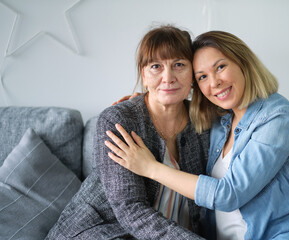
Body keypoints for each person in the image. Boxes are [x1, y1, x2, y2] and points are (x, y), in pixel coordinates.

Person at [105, 30, 289, 239]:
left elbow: (228, 194)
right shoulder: (217, 119)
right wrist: (146, 100)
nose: (214, 82)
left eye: (220, 67)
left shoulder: (278, 117)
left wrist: (150, 168)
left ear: (243, 62)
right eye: (202, 76)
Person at [46, 25, 209, 240]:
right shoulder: (119, 120)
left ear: (193, 73)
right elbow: (131, 209)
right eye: (156, 67)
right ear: (143, 73)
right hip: (102, 231)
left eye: (179, 65)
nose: (168, 77)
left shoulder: (203, 120)